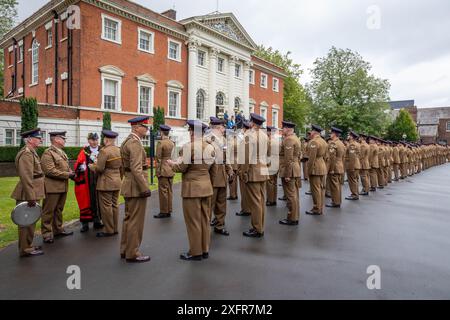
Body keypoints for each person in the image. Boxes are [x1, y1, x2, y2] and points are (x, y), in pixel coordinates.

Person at [167, 120, 215, 261]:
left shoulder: (190, 147)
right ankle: (204, 249)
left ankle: (195, 252)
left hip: (192, 189)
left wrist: (171, 164)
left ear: (193, 132)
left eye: (190, 131)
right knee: (204, 220)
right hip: (206, 186)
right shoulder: (210, 147)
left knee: (193, 221)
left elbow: (181, 168)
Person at [120, 116, 151, 263]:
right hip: (136, 186)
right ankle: (133, 253)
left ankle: (125, 249)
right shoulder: (135, 143)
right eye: (144, 126)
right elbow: (136, 168)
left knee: (128, 219)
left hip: (129, 183)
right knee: (135, 222)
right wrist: (145, 187)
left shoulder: (128, 141)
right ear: (136, 127)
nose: (147, 128)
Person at [11, 128, 45, 257]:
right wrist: (31, 196)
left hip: (33, 190)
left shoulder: (31, 152)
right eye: (38, 137)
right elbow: (26, 177)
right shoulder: (26, 153)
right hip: (28, 192)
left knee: (31, 220)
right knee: (26, 221)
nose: (40, 139)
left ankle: (28, 245)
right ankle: (25, 249)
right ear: (30, 140)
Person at [41, 131, 75, 244]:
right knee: (48, 211)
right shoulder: (48, 153)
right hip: (52, 187)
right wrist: (68, 175)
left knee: (59, 209)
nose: (65, 140)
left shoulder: (61, 152)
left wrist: (71, 172)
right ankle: (46, 233)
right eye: (63, 138)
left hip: (62, 186)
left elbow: (63, 167)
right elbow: (49, 171)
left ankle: (58, 229)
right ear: (56, 139)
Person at [88, 130, 122, 237]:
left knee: (106, 207)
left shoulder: (104, 151)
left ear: (106, 139)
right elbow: (122, 168)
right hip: (116, 181)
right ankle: (115, 228)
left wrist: (92, 166)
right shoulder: (119, 150)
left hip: (106, 182)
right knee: (114, 205)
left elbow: (100, 169)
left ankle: (108, 229)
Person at [241, 113, 269, 237]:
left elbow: (246, 157)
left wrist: (243, 172)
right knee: (261, 200)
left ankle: (257, 228)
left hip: (253, 170)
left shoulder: (249, 135)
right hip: (263, 168)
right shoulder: (264, 135)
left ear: (252, 123)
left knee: (255, 202)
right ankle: (260, 226)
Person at [206, 117, 234, 236]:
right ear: (217, 128)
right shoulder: (207, 139)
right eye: (223, 127)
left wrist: (230, 170)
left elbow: (225, 157)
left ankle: (219, 225)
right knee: (210, 203)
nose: (224, 129)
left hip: (222, 173)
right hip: (212, 175)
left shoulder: (223, 139)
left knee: (221, 202)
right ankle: (205, 226)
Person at [74, 133, 104, 233]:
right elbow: (78, 164)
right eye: (92, 140)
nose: (94, 142)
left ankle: (97, 221)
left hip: (99, 180)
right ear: (88, 141)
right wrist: (80, 167)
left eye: (96, 140)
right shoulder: (84, 152)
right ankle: (85, 224)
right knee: (86, 201)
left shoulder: (102, 150)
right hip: (87, 181)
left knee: (98, 201)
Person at [278, 121, 302, 225]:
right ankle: (294, 216)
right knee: (294, 195)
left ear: (288, 129)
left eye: (283, 128)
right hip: (295, 168)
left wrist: (287, 174)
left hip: (290, 170)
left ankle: (292, 218)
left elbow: (288, 158)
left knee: (291, 195)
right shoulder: (296, 138)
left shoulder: (289, 140)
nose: (282, 130)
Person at [305, 125, 328, 216]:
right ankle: (320, 207)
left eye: (311, 131)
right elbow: (326, 156)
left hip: (315, 167)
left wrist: (309, 170)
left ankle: (316, 208)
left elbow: (311, 158)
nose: (310, 133)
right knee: (320, 189)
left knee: (316, 190)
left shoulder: (314, 141)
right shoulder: (323, 141)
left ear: (314, 132)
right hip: (322, 165)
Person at [154, 125, 175, 219]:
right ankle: (169, 210)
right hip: (170, 168)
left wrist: (157, 172)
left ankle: (163, 211)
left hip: (163, 169)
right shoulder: (172, 142)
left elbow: (158, 159)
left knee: (163, 191)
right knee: (169, 191)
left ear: (161, 132)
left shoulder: (160, 143)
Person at [325, 127, 345, 208]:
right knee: (338, 186)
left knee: (334, 186)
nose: (330, 134)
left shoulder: (333, 143)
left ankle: (335, 202)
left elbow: (332, 158)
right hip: (339, 165)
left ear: (334, 134)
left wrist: (332, 169)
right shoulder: (341, 143)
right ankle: (338, 201)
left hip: (335, 167)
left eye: (331, 133)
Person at [236, 121, 252, 217]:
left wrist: (242, 170)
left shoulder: (246, 139)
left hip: (245, 166)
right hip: (252, 167)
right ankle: (247, 207)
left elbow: (244, 156)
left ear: (244, 129)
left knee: (244, 190)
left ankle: (246, 209)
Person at [345, 131, 361, 201]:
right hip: (356, 164)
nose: (348, 136)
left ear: (351, 137)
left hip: (352, 165)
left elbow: (352, 157)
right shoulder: (356, 144)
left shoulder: (352, 145)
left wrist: (351, 167)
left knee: (352, 180)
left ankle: (354, 194)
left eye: (349, 135)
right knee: (355, 180)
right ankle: (356, 193)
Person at [266, 126, 279, 207]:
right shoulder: (277, 140)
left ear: (269, 132)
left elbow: (267, 153)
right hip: (276, 162)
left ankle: (270, 200)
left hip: (270, 162)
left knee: (270, 183)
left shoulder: (269, 141)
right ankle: (273, 199)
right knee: (274, 183)